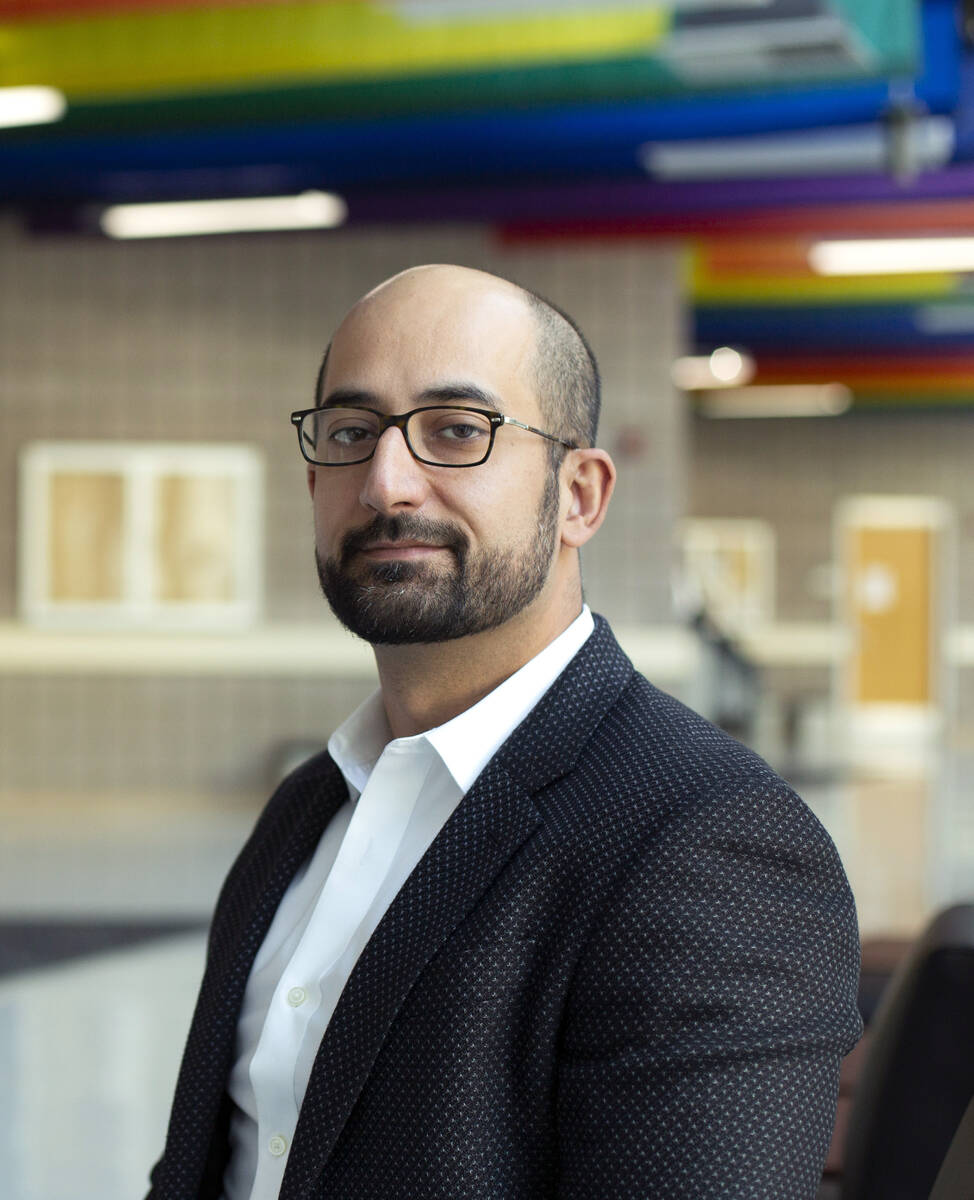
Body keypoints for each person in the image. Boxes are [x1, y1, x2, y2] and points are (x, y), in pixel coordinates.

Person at [148, 264, 862, 1200]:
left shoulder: (709, 843)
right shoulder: (305, 809)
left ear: (580, 496)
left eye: (457, 430)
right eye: (352, 432)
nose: (386, 482)